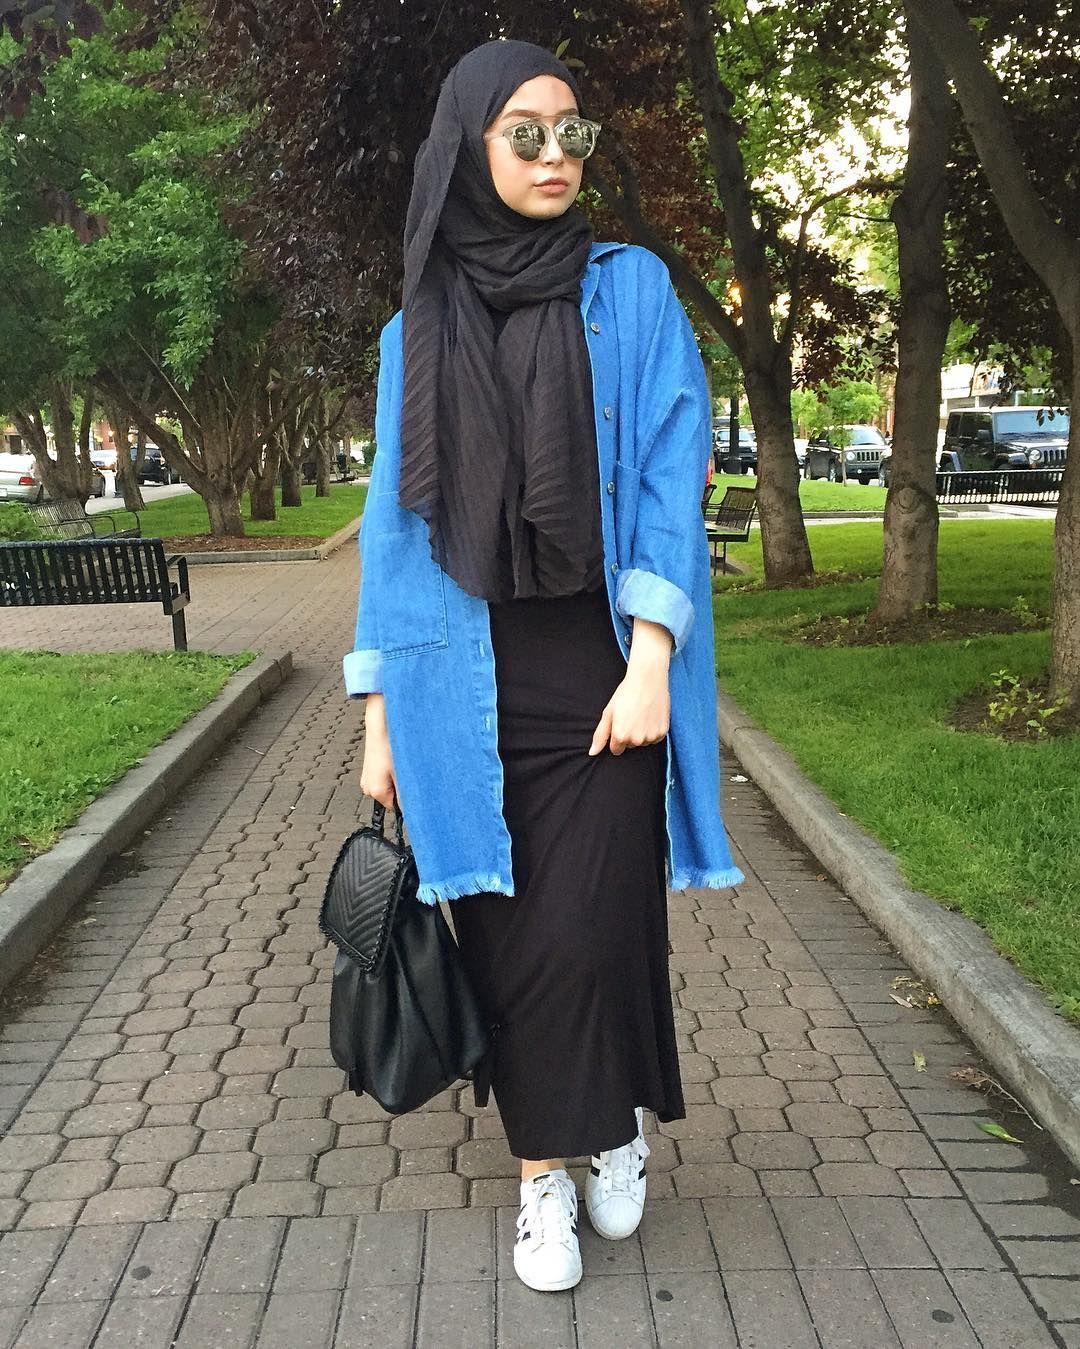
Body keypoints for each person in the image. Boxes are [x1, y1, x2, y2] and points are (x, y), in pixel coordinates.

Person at [343, 38, 744, 1293]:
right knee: (513, 946)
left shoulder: (633, 292)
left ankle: (610, 1124)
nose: (556, 155)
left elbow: (671, 470)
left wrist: (655, 658)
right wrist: (379, 718)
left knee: (597, 926)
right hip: (461, 687)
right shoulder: (417, 325)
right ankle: (541, 1179)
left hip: (603, 666)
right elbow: (393, 530)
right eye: (525, 133)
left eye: (574, 131)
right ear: (469, 148)